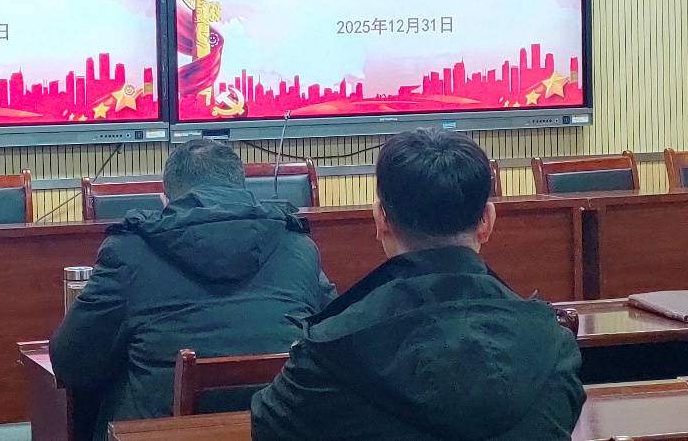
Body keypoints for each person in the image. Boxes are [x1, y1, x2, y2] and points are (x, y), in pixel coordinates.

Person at [251, 129, 585, 441]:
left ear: (381, 219)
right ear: (487, 221)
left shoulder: (327, 355)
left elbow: (268, 426)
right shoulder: (555, 349)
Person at [49, 139, 336, 441]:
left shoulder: (128, 252)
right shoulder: (298, 247)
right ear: (242, 189)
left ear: (166, 201)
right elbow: (336, 345)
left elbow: (71, 364)